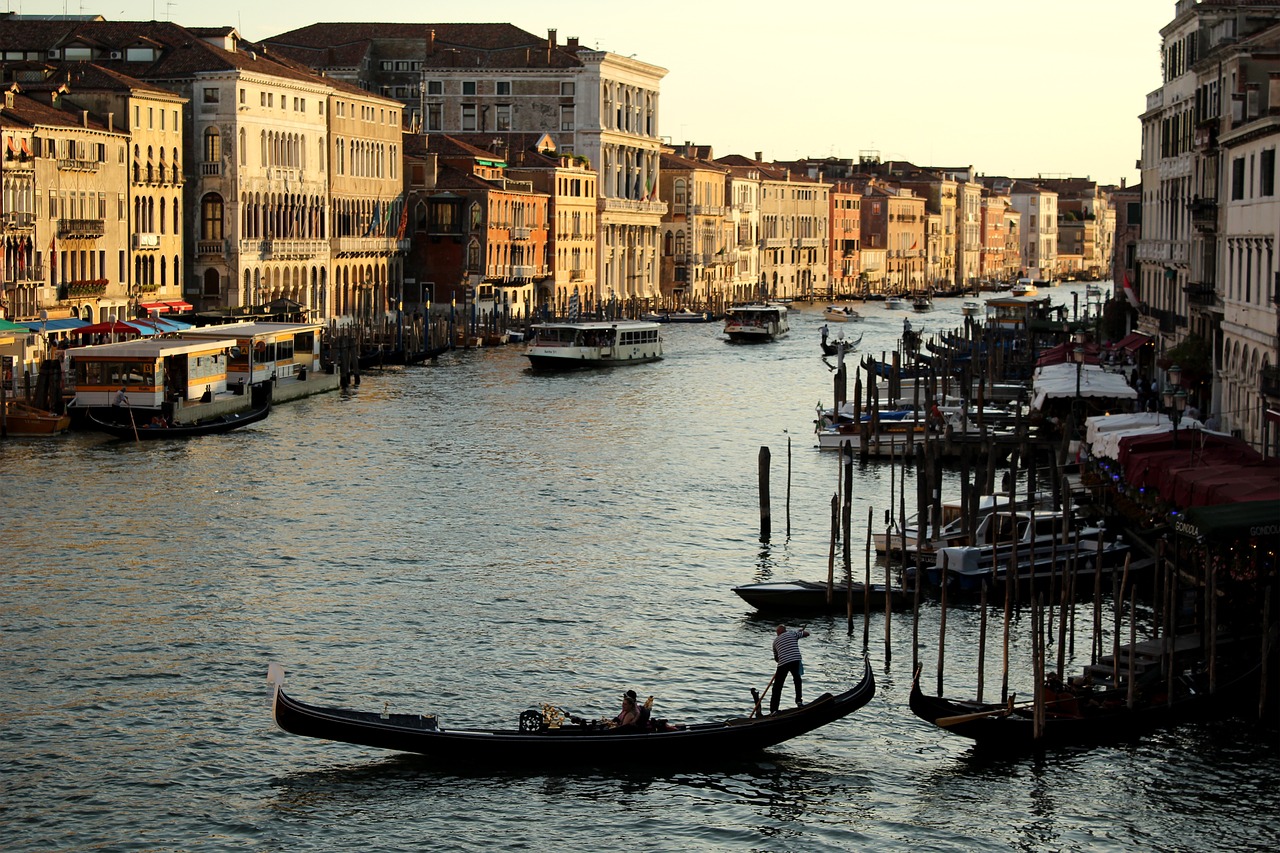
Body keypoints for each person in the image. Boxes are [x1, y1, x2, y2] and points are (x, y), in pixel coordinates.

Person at [770, 624, 810, 714]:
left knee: (777, 687)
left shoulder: (775, 642)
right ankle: (799, 701)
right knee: (797, 680)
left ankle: (773, 710)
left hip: (783, 663)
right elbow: (807, 634)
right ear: (785, 630)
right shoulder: (792, 634)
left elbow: (777, 659)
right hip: (795, 660)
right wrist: (799, 634)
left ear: (778, 633)